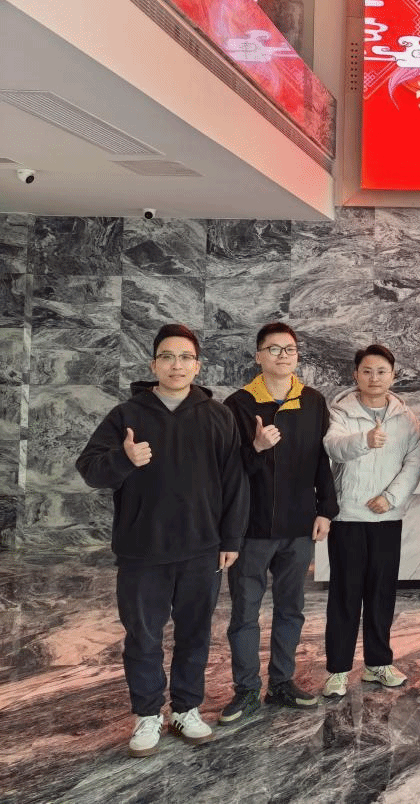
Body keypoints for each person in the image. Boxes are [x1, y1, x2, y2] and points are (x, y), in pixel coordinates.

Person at [76, 324, 246, 757]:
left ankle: (186, 708)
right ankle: (148, 714)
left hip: (202, 549)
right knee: (143, 637)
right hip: (142, 550)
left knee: (195, 634)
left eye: (185, 357)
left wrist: (231, 538)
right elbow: (90, 469)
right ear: (153, 365)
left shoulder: (218, 415)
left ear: (197, 366)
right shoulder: (126, 415)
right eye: (167, 357)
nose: (176, 365)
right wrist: (124, 458)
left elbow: (234, 482)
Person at [219, 322, 339, 724]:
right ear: (258, 357)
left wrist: (326, 509)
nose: (283, 355)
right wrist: (255, 448)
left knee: (291, 608)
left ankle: (282, 682)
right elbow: (227, 471)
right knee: (245, 612)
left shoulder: (313, 401)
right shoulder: (238, 404)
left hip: (298, 526)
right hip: (251, 529)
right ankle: (246, 689)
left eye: (289, 349)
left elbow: (322, 460)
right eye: (273, 349)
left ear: (297, 356)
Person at [322, 344, 420, 697]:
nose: (374, 377)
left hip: (387, 516)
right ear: (355, 375)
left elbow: (414, 462)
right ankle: (338, 669)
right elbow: (333, 446)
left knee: (382, 593)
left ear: (393, 376)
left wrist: (390, 498)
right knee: (345, 594)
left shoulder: (406, 418)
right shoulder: (341, 412)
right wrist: (364, 440)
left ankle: (378, 663)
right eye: (367, 371)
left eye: (382, 371)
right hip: (349, 515)